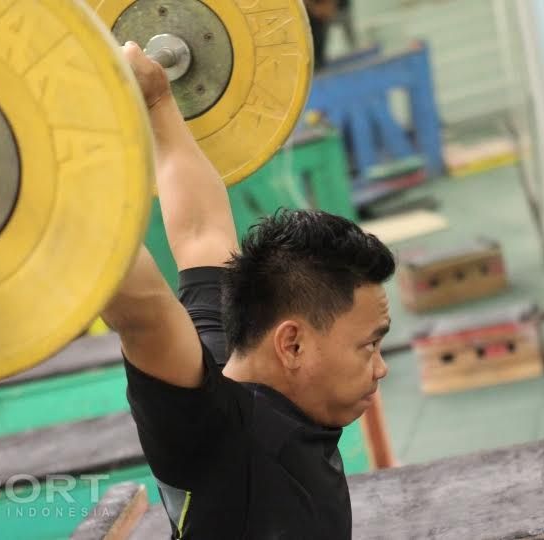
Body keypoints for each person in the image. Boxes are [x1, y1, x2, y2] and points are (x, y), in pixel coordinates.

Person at [101, 43, 395, 539]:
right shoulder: (215, 434)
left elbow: (200, 233)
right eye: (368, 344)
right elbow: (142, 311)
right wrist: (56, 174)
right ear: (292, 343)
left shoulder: (223, 350)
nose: (381, 366)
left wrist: (157, 103)